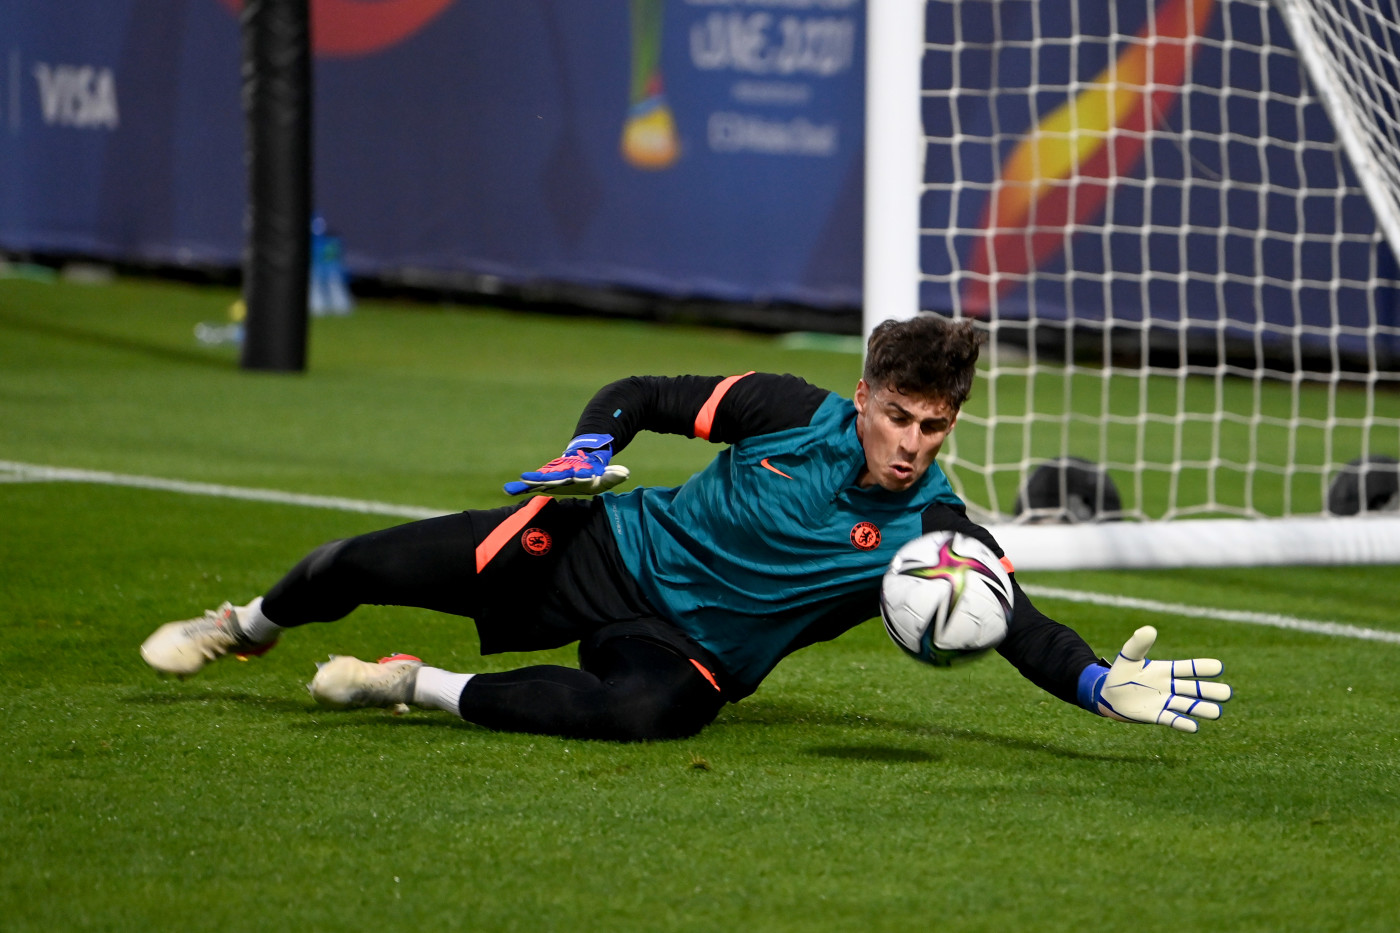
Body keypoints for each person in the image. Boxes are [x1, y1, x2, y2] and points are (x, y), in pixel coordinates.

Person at [139, 315, 1232, 740]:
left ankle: (409, 685)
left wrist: (1094, 682)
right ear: (862, 397)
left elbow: (1016, 623)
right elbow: (641, 389)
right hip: (607, 551)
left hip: (694, 652)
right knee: (361, 561)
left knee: (644, 719)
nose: (909, 441)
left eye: (932, 426)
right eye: (895, 416)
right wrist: (586, 453)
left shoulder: (931, 536)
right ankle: (245, 623)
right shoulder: (783, 412)